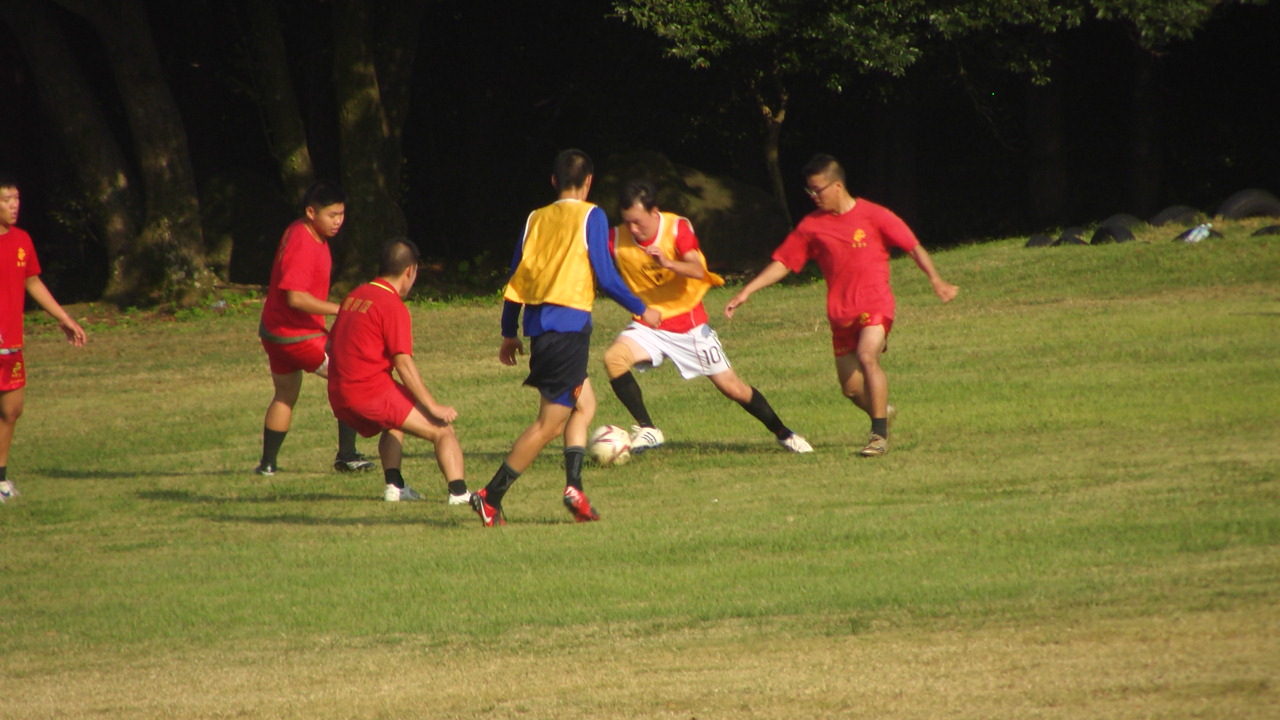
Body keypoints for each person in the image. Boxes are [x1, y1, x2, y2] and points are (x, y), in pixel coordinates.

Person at [470, 149, 661, 527]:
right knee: (548, 425)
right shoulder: (592, 215)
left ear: (554, 181)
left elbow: (516, 278)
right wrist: (642, 308)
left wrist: (509, 331)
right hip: (566, 332)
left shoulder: (535, 218)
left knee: (584, 404)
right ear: (589, 182)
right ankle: (490, 496)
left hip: (543, 330)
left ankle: (575, 488)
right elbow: (605, 277)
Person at [725, 154, 959, 457]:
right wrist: (748, 290)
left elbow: (913, 247)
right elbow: (784, 262)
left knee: (867, 356)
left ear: (837, 186)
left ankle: (878, 436)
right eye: (809, 191)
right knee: (850, 389)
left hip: (875, 304)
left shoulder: (874, 215)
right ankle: (882, 410)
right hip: (840, 314)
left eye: (818, 190)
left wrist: (936, 280)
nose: (813, 196)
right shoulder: (811, 226)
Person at [603, 180, 812, 454]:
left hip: (689, 326)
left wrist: (667, 262)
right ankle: (648, 429)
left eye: (638, 222)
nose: (632, 229)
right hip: (649, 323)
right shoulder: (615, 238)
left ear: (654, 211)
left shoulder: (676, 227)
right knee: (613, 359)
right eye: (627, 221)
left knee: (733, 388)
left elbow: (697, 270)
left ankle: (784, 433)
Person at [327, 238, 470, 504]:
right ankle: (459, 493)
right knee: (442, 430)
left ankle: (395, 486)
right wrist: (433, 406)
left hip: (339, 392)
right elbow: (403, 362)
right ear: (409, 271)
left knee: (396, 421)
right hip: (369, 391)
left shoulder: (355, 296)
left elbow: (331, 343)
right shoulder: (392, 305)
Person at [255, 181, 374, 476]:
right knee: (351, 374)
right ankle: (347, 455)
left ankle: (267, 465)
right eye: (332, 215)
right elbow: (296, 297)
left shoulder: (300, 229)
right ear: (311, 212)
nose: (338, 221)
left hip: (275, 332)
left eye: (341, 214)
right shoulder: (304, 242)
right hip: (297, 336)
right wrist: (340, 309)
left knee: (284, 395)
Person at [0, 175, 88, 503]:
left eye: (16, 199)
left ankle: (1, 479)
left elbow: (32, 282)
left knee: (12, 410)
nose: (14, 205)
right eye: (6, 199)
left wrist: (64, 319)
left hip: (11, 344)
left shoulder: (22, 240)